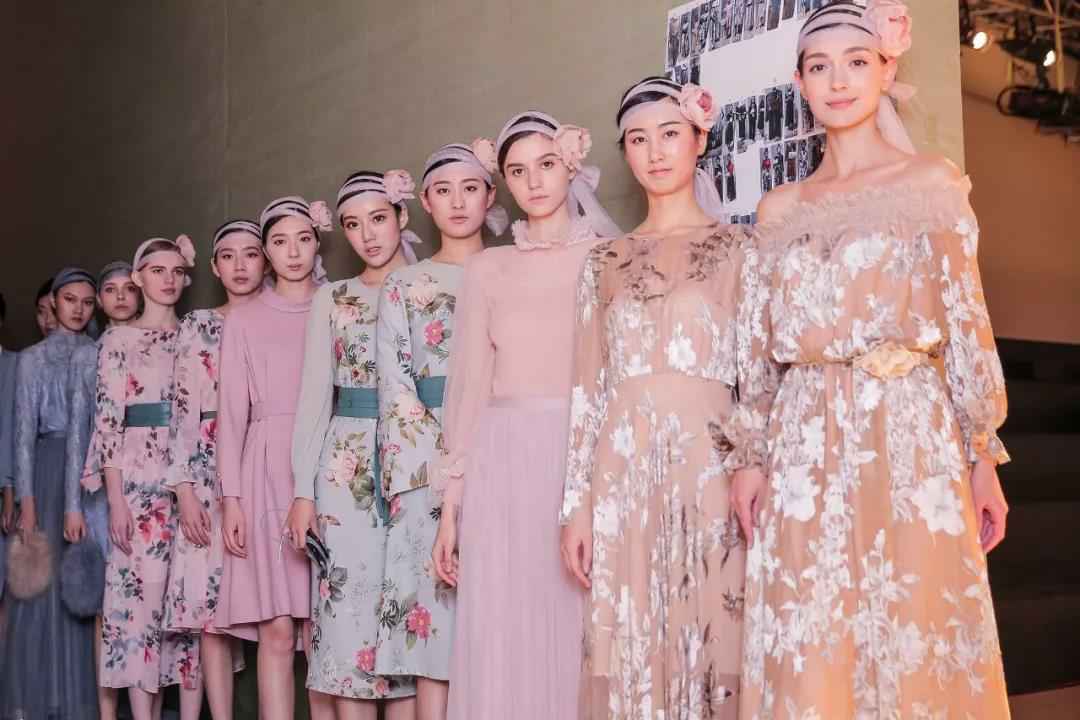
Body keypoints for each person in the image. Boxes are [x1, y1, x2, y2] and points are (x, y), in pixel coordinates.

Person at [729, 3, 1011, 716]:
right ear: (799, 82)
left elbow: (965, 320)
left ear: (887, 71)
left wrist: (982, 453)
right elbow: (757, 350)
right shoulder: (779, 210)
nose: (838, 81)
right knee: (810, 634)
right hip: (802, 445)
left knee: (914, 624)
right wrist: (751, 459)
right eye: (819, 66)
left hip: (908, 431)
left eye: (856, 62)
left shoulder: (930, 183)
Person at [557, 77, 750, 719]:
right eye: (638, 140)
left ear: (699, 140)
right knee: (629, 636)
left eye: (670, 134)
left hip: (712, 463)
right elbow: (588, 388)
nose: (655, 151)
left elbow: (759, 378)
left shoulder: (740, 248)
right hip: (623, 469)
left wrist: (754, 467)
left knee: (716, 627)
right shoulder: (602, 263)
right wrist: (577, 508)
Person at [432, 113, 619, 720]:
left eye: (546, 164)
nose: (534, 181)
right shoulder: (487, 269)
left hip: (580, 453)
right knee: (506, 625)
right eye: (517, 171)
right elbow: (469, 389)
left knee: (576, 619)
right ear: (504, 183)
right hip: (502, 463)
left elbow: (618, 376)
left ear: (570, 166)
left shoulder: (607, 257)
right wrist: (451, 507)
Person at [375, 144, 509, 720]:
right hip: (428, 470)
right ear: (425, 202)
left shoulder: (509, 269)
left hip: (502, 453)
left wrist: (490, 453)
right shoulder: (404, 285)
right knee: (432, 629)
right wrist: (445, 467)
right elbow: (395, 387)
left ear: (490, 196)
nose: (458, 202)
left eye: (470, 188)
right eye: (444, 191)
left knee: (495, 617)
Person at [288, 170, 423, 717]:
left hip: (414, 464)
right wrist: (303, 492)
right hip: (345, 472)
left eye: (378, 218)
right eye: (352, 224)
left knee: (411, 621)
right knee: (346, 621)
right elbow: (314, 399)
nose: (367, 235)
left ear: (401, 217)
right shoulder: (333, 298)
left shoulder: (428, 286)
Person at [217, 197, 333, 720]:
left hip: (329, 466)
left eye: (303, 240)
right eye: (280, 242)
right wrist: (231, 499)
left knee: (324, 628)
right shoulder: (244, 319)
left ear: (317, 243)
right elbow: (230, 415)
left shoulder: (337, 303)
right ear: (266, 252)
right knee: (279, 629)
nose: (293, 252)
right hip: (263, 469)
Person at [90, 237, 199, 720]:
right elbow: (107, 423)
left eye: (177, 271)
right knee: (139, 606)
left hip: (193, 481)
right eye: (157, 270)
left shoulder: (197, 333)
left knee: (189, 609)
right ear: (138, 278)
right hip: (137, 486)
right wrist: (116, 500)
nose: (168, 280)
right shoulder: (118, 341)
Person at [162, 221, 265, 720]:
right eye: (228, 256)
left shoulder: (283, 314)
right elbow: (181, 409)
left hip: (263, 460)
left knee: (276, 605)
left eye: (251, 254)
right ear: (214, 267)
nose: (240, 266)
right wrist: (184, 489)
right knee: (211, 611)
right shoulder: (198, 324)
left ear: (266, 260)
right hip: (204, 472)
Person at [1, 268, 99, 720]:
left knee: (80, 586)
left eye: (87, 301)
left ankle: (75, 701)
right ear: (54, 304)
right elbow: (22, 435)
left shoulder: (99, 352)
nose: (78, 309)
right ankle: (34, 701)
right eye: (70, 299)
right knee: (38, 586)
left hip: (89, 478)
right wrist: (27, 503)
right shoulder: (32, 359)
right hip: (44, 472)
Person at [66, 260, 141, 720]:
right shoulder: (87, 356)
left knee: (147, 601)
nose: (120, 297)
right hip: (101, 492)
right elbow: (79, 431)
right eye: (109, 290)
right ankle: (107, 712)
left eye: (128, 288)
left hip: (151, 484)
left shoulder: (164, 342)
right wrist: (73, 505)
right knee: (108, 606)